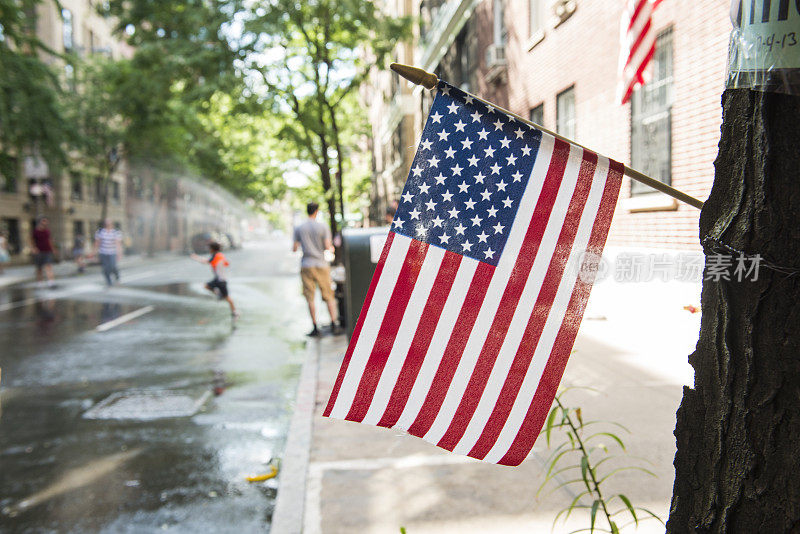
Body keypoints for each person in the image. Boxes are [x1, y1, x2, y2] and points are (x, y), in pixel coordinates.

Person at [293, 202, 342, 337]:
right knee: (328, 295)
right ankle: (334, 324)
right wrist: (332, 248)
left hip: (306, 264)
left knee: (310, 297)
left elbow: (294, 248)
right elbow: (328, 246)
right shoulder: (323, 226)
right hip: (321, 264)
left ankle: (315, 327)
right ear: (317, 211)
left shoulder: (299, 228)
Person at [190, 241, 239, 320]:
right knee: (207, 286)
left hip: (221, 280)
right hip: (219, 278)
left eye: (210, 249)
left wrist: (195, 257)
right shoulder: (220, 255)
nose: (209, 250)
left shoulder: (216, 256)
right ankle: (219, 295)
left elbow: (206, 262)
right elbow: (227, 264)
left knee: (227, 297)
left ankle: (235, 312)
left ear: (212, 249)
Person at [93, 219, 122, 287]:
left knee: (112, 266)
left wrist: (119, 253)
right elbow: (97, 243)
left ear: (112, 224)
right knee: (105, 268)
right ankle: (109, 282)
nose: (108, 225)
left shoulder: (116, 232)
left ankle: (117, 277)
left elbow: (118, 244)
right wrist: (94, 253)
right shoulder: (100, 232)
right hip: (103, 252)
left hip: (112, 252)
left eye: (109, 223)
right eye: (106, 223)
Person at [31, 217, 56, 287]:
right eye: (44, 221)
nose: (45, 223)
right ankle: (40, 282)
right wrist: (33, 248)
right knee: (39, 268)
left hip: (47, 251)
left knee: (49, 266)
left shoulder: (47, 231)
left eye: (46, 222)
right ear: (40, 223)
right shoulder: (36, 231)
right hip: (39, 252)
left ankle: (51, 282)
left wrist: (53, 248)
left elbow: (49, 240)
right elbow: (31, 240)